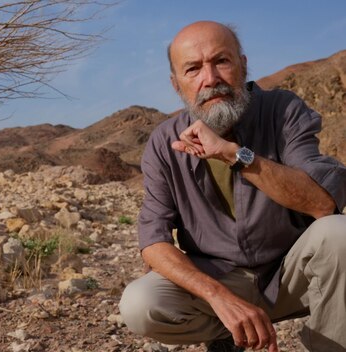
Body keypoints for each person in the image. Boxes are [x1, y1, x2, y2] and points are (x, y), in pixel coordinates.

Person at [119, 21, 346, 352]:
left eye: (221, 61)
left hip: (290, 274)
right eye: (193, 69)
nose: (210, 79)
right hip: (220, 281)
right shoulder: (163, 143)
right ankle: (229, 329)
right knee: (139, 303)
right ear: (176, 84)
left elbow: (322, 204)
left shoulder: (282, 111)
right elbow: (154, 242)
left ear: (242, 64)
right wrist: (218, 296)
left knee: (339, 233)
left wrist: (235, 156)